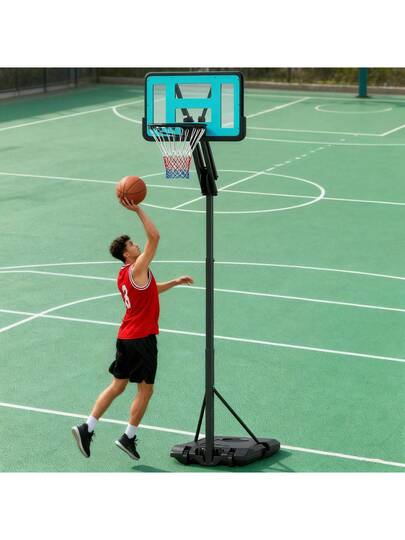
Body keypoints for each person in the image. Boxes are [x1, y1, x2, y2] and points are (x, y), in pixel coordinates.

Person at [72, 197, 193, 460]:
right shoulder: (139, 267)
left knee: (117, 386)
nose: (136, 244)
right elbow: (155, 237)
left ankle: (86, 427)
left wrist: (174, 282)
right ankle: (128, 437)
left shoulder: (125, 274)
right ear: (127, 254)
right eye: (131, 244)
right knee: (145, 390)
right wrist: (138, 209)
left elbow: (149, 291)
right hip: (142, 338)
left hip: (126, 337)